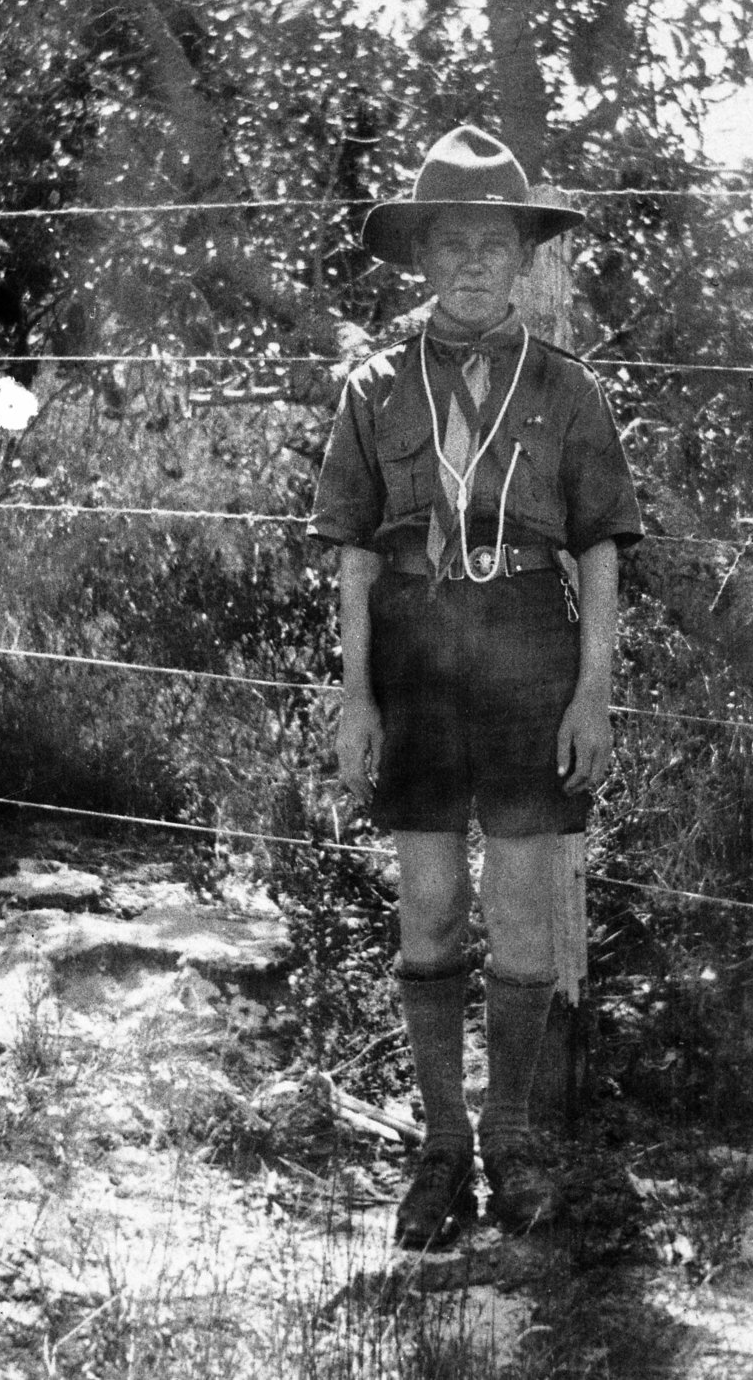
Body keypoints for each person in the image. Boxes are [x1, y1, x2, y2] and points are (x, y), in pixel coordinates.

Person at [309, 125, 642, 1247]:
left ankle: (512, 1142)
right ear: (421, 259)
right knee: (434, 902)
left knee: (520, 909)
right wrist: (357, 697)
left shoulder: (569, 391)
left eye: (492, 243)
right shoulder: (372, 388)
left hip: (524, 648)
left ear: (522, 259)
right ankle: (441, 1148)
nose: (471, 263)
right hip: (413, 646)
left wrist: (592, 692)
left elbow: (597, 552)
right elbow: (353, 557)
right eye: (450, 242)